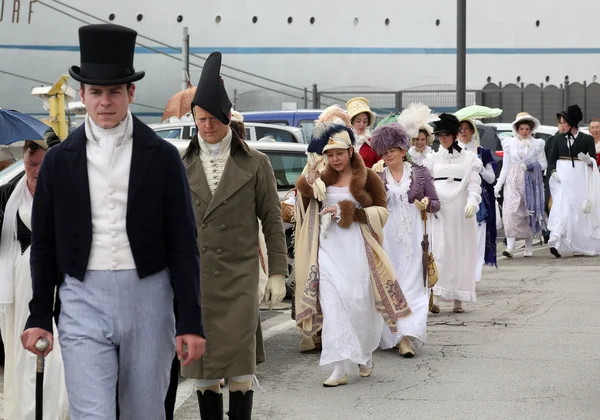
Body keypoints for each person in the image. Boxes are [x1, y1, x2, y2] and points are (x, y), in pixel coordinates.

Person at [20, 24, 206, 420]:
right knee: (93, 415)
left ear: (131, 93)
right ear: (82, 95)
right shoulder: (58, 161)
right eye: (96, 92)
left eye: (114, 92)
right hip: (81, 297)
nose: (105, 101)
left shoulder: (162, 157)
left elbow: (183, 242)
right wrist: (39, 315)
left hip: (150, 295)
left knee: (145, 413)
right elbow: (46, 245)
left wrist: (190, 320)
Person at [181, 51, 288, 419]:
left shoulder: (256, 163)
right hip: (198, 282)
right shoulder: (182, 164)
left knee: (241, 367)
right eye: (200, 120)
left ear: (227, 117)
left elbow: (272, 221)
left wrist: (277, 272)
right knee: (202, 369)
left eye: (212, 118)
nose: (206, 126)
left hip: (241, 278)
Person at [295, 123, 411, 387]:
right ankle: (338, 367)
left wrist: (348, 212)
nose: (335, 159)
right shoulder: (322, 176)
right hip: (326, 249)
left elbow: (382, 211)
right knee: (334, 305)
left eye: (339, 153)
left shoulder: (368, 176)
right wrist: (307, 184)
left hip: (358, 248)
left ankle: (365, 354)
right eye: (330, 154)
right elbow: (306, 207)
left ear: (350, 151)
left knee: (359, 302)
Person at [0, 130, 69, 419]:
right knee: (19, 351)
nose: (36, 170)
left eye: (41, 163)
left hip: (49, 282)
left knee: (54, 358)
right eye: (31, 163)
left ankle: (53, 409)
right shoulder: (8, 193)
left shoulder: (61, 190)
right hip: (15, 283)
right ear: (24, 159)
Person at [370, 123, 440, 358]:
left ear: (403, 149)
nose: (388, 154)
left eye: (392, 149)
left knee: (415, 288)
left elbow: (436, 202)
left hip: (414, 239)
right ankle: (393, 335)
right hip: (387, 239)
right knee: (392, 284)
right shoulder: (377, 175)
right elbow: (368, 205)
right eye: (384, 151)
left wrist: (427, 203)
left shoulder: (420, 172)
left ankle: (406, 338)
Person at [423, 114, 482, 313]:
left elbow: (474, 185)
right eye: (439, 135)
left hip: (460, 211)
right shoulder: (432, 158)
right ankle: (436, 296)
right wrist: (429, 201)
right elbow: (426, 183)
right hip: (439, 211)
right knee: (439, 250)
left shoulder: (469, 158)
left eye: (446, 134)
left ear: (456, 134)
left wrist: (473, 202)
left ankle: (459, 297)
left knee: (460, 252)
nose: (443, 139)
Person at [547, 105, 600, 257]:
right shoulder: (557, 138)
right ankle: (556, 241)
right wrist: (554, 172)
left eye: (564, 122)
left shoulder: (587, 139)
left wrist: (588, 160)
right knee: (562, 208)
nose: (561, 125)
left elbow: (592, 162)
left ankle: (580, 243)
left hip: (579, 178)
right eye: (560, 122)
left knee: (579, 210)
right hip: (563, 178)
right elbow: (552, 160)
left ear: (571, 123)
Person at [494, 113, 547, 257]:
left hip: (530, 180)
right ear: (517, 129)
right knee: (510, 211)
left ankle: (528, 247)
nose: (524, 132)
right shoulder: (509, 143)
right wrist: (498, 185)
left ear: (531, 130)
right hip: (513, 179)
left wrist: (530, 165)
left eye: (527, 129)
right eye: (522, 128)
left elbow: (543, 164)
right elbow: (505, 166)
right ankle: (510, 247)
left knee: (528, 212)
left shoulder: (538, 144)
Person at [456, 118, 497, 276]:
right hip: (459, 197)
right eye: (460, 129)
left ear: (472, 131)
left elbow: (491, 178)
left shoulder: (482, 152)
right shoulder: (453, 153)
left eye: (467, 128)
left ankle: (475, 273)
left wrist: (479, 167)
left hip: (480, 199)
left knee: (478, 236)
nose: (463, 132)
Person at [346, 97, 380, 168]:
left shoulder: (373, 143)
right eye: (358, 121)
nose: (362, 125)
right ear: (351, 122)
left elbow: (380, 164)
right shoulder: (345, 140)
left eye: (365, 121)